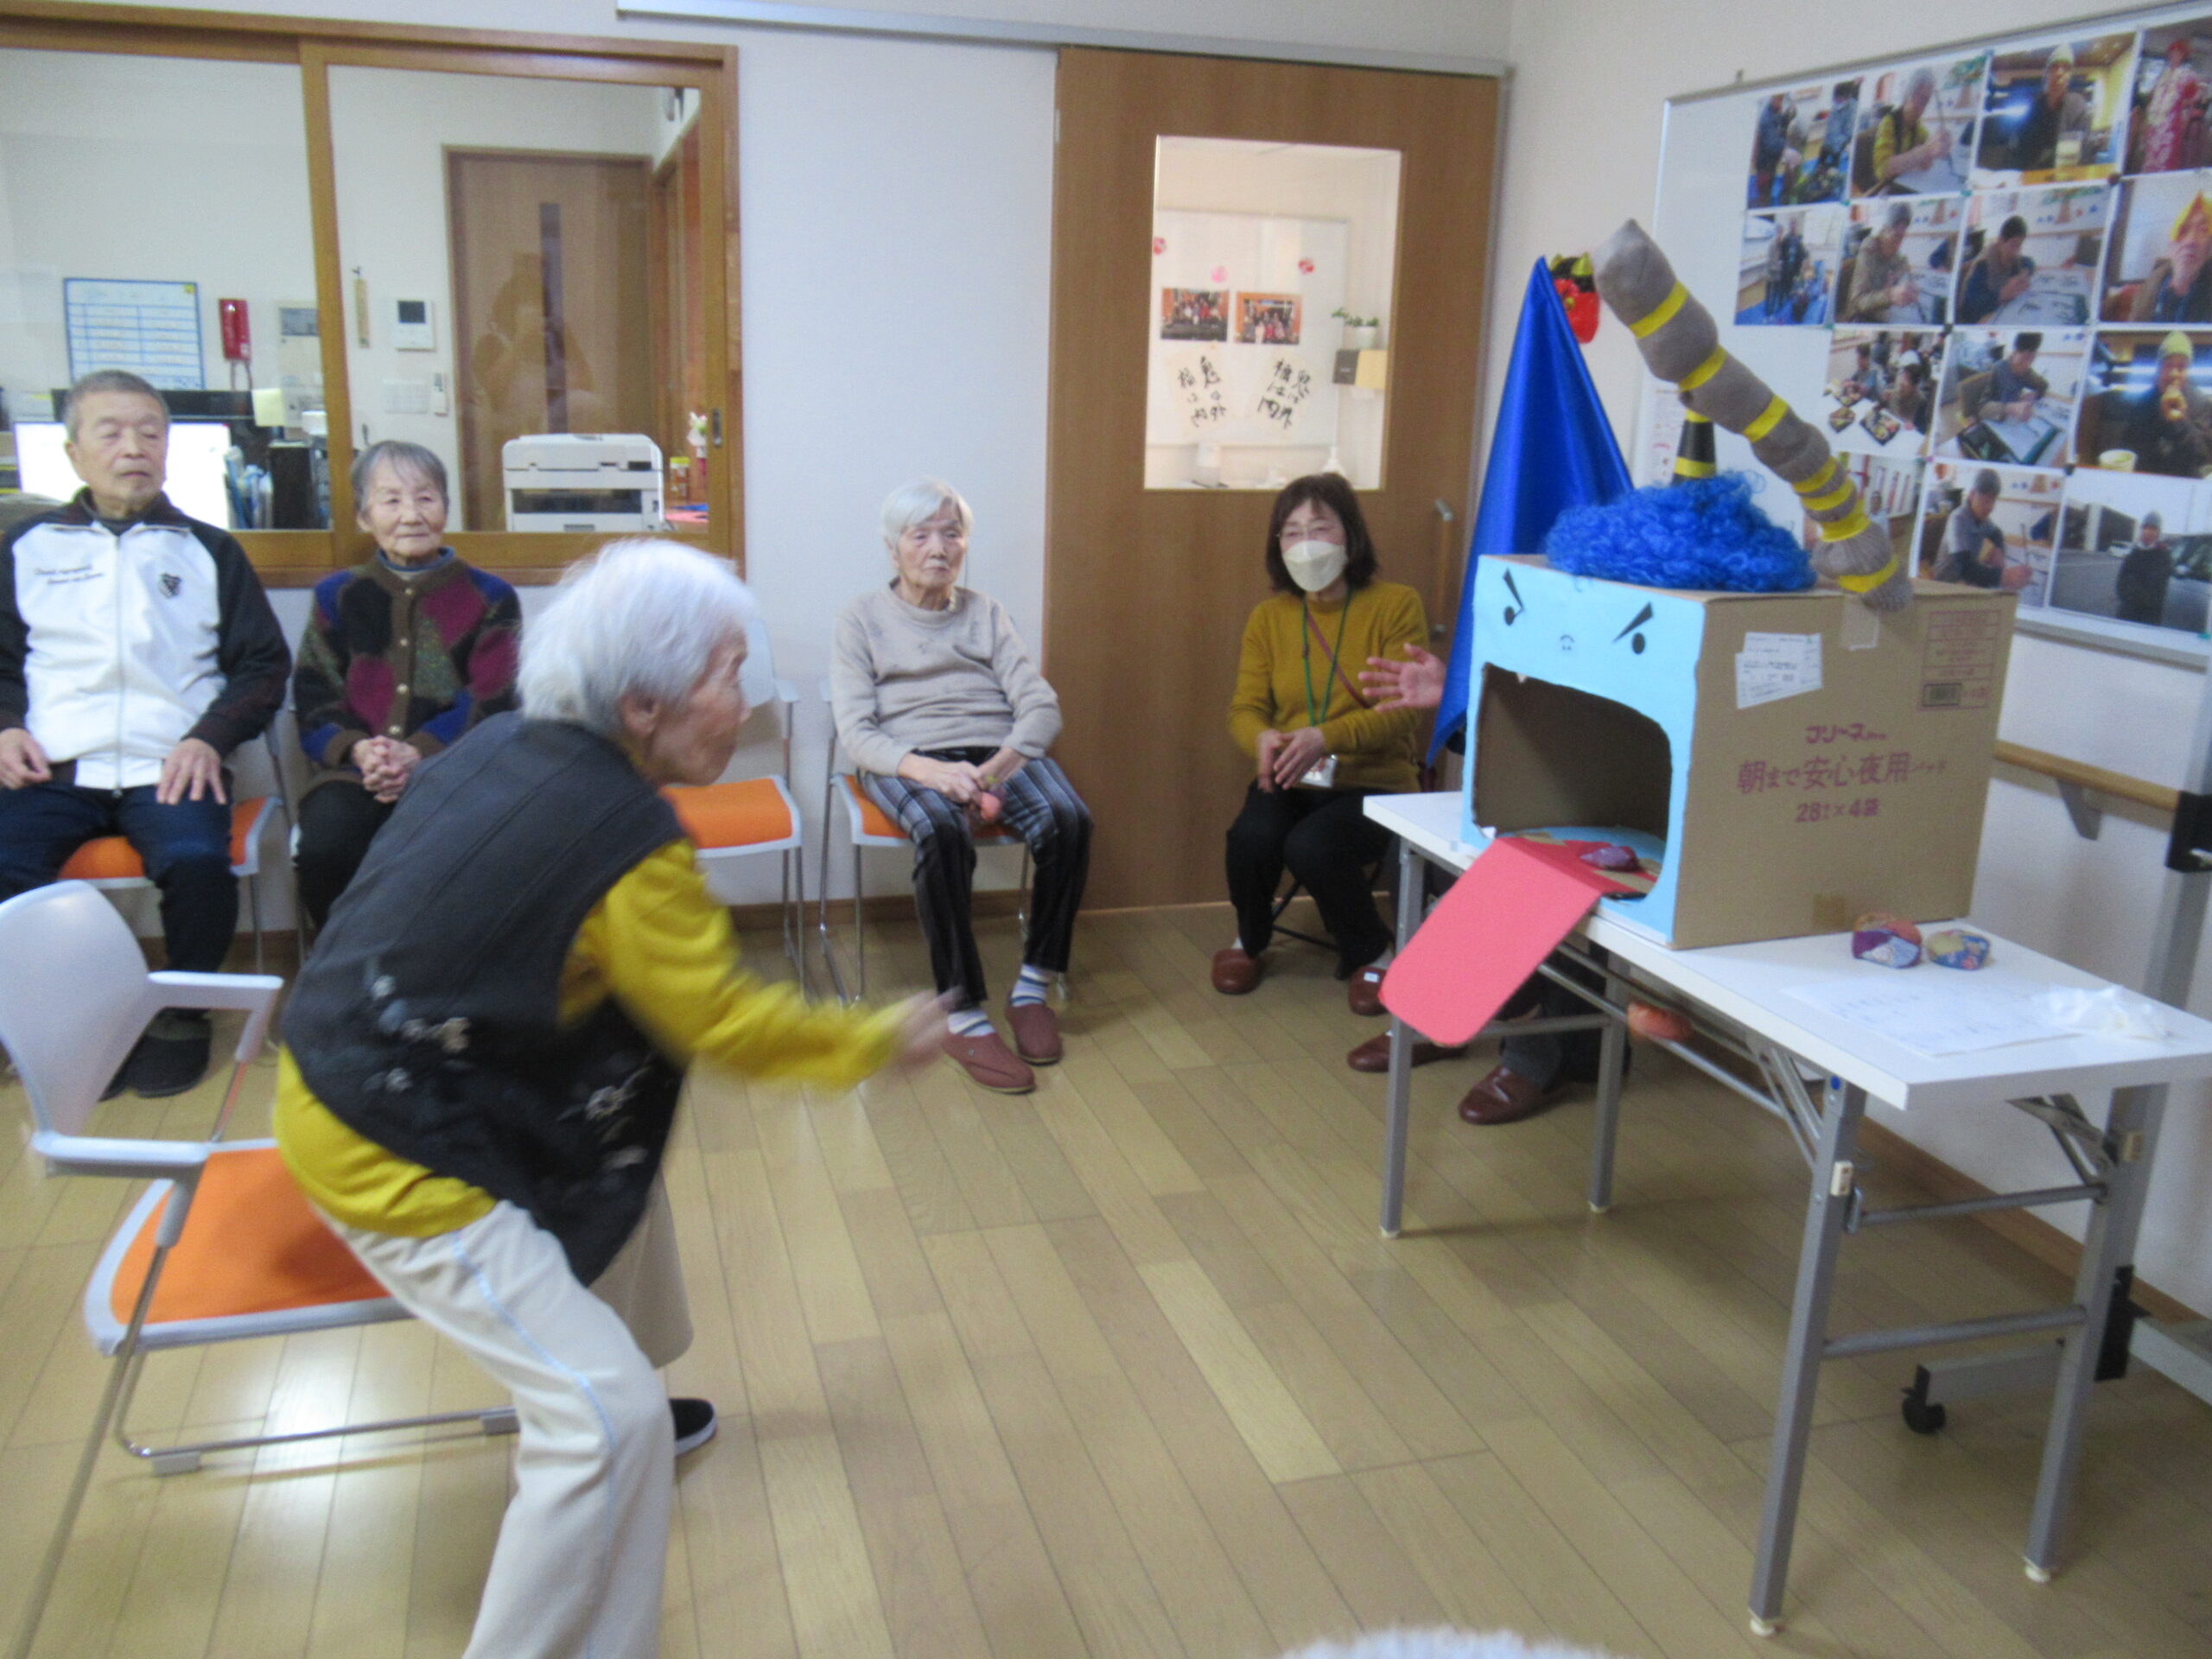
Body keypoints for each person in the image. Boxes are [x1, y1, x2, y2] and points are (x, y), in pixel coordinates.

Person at [276, 540, 940, 1659]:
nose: (746, 698)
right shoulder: (630, 847)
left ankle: (625, 1400)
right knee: (601, 1419)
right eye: (728, 672)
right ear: (642, 706)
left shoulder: (502, 747)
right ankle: (600, 1453)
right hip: (387, 1141)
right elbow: (723, 1023)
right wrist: (876, 1036)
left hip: (367, 1064)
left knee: (624, 1182)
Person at [0, 370, 288, 1096]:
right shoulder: (28, 547)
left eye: (150, 433)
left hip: (172, 764)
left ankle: (181, 1015)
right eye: (112, 432)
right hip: (54, 765)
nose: (134, 448)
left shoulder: (209, 550)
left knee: (196, 861)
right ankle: (53, 1020)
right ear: (73, 452)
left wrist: (208, 738)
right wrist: (5, 728)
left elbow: (262, 666)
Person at [830, 479, 1090, 1096]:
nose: (938, 548)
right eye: (920, 535)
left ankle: (1033, 987)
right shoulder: (859, 619)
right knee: (942, 829)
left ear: (966, 544)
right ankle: (964, 1011)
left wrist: (993, 772)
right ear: (893, 548)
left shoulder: (987, 613)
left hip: (994, 750)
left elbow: (1041, 707)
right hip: (908, 757)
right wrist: (931, 771)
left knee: (1070, 819)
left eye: (951, 533)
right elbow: (857, 734)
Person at [1348, 639, 1616, 1126]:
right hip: (1524, 791)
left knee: (1553, 886)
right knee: (1410, 858)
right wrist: (1462, 698)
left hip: (1601, 799)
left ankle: (1539, 1055)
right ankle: (1434, 1015)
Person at [1214, 474, 1426, 1014]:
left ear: (1349, 535)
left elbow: (1402, 711)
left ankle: (1373, 951)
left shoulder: (1396, 604)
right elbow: (1244, 709)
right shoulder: (1270, 617)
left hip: (1376, 781)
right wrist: (1262, 738)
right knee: (1251, 837)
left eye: (1319, 528)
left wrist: (1324, 737)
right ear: (1277, 546)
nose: (1305, 543)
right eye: (1291, 532)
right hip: (1293, 775)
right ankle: (1249, 940)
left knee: (1314, 845)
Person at [290, 441, 521, 927]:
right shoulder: (337, 596)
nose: (411, 515)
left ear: (445, 509)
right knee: (326, 846)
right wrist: (360, 751)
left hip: (459, 773)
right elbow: (315, 695)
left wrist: (418, 752)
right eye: (391, 500)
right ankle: (347, 962)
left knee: (466, 853)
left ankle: (440, 965)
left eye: (425, 497)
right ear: (364, 516)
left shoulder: (492, 597)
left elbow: (495, 698)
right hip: (357, 774)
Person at [2116, 329, 2212, 477]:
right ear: (2158, 369)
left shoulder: (2201, 403)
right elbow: (2129, 450)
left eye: (2181, 367)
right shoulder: (2143, 403)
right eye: (2168, 365)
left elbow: (2204, 456)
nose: (2174, 374)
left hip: (2186, 481)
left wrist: (2180, 422)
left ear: (2187, 372)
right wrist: (2159, 416)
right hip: (2150, 480)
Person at [2124, 192, 2212, 323]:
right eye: (2183, 231)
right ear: (2171, 244)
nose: (2190, 241)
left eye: (2204, 230)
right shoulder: (2151, 288)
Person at [2014, 44, 2093, 174]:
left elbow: (2083, 154)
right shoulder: (2034, 108)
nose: (2059, 73)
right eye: (2054, 67)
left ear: (2069, 77)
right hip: (2033, 177)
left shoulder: (2078, 106)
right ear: (2046, 74)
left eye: (2066, 68)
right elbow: (2021, 152)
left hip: (2067, 176)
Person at [1870, 67, 1944, 191]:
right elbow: (1881, 170)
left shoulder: (1919, 127)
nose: (1923, 108)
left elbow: (1926, 165)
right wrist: (1920, 154)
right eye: (1922, 99)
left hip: (1905, 183)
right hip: (1887, 188)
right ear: (1909, 94)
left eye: (1927, 102)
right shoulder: (1888, 122)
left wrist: (1934, 151)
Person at [1844, 201, 1919, 322]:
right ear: (1885, 230)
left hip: (1881, 315)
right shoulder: (1870, 248)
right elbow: (1857, 302)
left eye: (1902, 238)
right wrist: (1890, 295)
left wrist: (1910, 289)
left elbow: (1904, 267)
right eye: (1895, 237)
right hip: (1859, 317)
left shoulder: (1898, 259)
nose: (1898, 245)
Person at [1935, 470, 2010, 588]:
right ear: (1972, 495)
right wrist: (2002, 577)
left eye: (1993, 500)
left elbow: (1997, 533)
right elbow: (1965, 568)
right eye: (1985, 501)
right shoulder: (1958, 518)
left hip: (1965, 580)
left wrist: (1998, 549)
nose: (1990, 507)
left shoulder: (1982, 518)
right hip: (1945, 582)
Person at [2142, 37, 2206, 174]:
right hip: (2155, 121)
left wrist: (2185, 104)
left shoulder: (2187, 75)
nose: (2175, 56)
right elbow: (2153, 96)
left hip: (2171, 121)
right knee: (2151, 154)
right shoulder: (2162, 76)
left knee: (2167, 154)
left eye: (2178, 53)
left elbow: (2198, 93)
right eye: (2172, 52)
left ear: (2183, 56)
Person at [1959, 215, 2035, 323]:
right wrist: (2000, 295)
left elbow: (2029, 262)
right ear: (2000, 241)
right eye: (2013, 245)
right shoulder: (1982, 266)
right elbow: (1968, 308)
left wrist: (2024, 273)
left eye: (2019, 246)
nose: (2017, 251)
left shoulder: (2015, 261)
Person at [2116, 511, 2175, 625]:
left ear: (2158, 533)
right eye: (2145, 528)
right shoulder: (2132, 555)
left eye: (2153, 528)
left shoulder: (2164, 557)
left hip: (2149, 618)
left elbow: (2158, 590)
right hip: (2127, 614)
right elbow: (2120, 585)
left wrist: (2135, 593)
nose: (2148, 532)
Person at [1981, 333, 2050, 423]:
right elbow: (1982, 410)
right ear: (2014, 353)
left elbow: (2044, 385)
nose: (2026, 366)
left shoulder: (2026, 371)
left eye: (2030, 360)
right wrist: (2009, 408)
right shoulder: (1998, 369)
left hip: (2013, 421)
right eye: (2023, 360)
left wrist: (2033, 396)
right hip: (1995, 421)